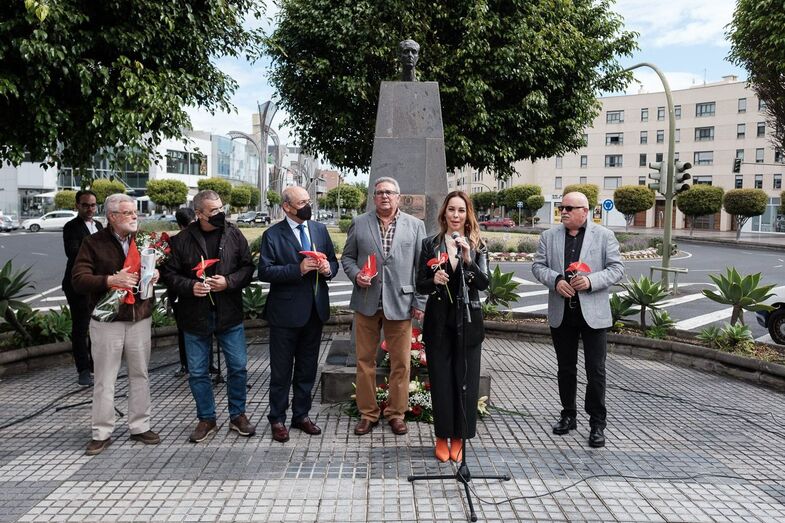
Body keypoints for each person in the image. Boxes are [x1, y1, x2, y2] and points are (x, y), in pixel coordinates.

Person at [160, 190, 256, 443]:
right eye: (213, 211)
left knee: (238, 367)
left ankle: (238, 415)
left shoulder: (233, 233)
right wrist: (190, 286)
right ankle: (206, 418)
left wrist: (229, 281)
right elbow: (168, 275)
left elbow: (248, 268)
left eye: (221, 208)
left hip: (229, 314)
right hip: (194, 315)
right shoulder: (180, 240)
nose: (220, 214)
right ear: (199, 213)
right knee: (199, 371)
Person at [531, 191, 624, 448]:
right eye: (562, 207)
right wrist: (556, 280)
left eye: (569, 208)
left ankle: (597, 423)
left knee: (595, 370)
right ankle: (568, 415)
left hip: (593, 314)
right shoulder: (549, 237)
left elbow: (617, 269)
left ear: (585, 211)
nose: (563, 212)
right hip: (562, 313)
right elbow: (538, 266)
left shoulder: (604, 236)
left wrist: (591, 281)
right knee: (565, 368)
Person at [71, 193, 160, 456]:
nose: (135, 216)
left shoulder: (143, 240)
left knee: (140, 375)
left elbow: (156, 268)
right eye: (128, 213)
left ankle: (140, 426)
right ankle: (101, 433)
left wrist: (156, 273)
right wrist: (111, 280)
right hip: (107, 320)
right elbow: (79, 279)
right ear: (112, 216)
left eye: (135, 212)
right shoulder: (93, 242)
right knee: (105, 380)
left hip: (139, 317)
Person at [342, 177, 426, 436]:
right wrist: (357, 275)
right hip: (367, 302)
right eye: (379, 192)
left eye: (389, 192)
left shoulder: (415, 226)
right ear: (374, 197)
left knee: (401, 363)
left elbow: (421, 267)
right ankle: (368, 413)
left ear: (398, 197)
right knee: (364, 361)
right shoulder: (359, 223)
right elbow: (347, 257)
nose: (385, 196)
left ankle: (396, 413)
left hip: (401, 303)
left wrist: (420, 302)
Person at [257, 186, 339, 443]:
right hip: (284, 314)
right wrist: (298, 269)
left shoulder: (319, 230)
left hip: (314, 312)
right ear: (287, 207)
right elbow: (265, 272)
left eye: (308, 201)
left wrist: (327, 269)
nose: (308, 205)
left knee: (307, 369)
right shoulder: (272, 235)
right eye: (302, 202)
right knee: (281, 371)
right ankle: (277, 419)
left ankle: (301, 415)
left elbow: (334, 263)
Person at [415, 191, 489, 462]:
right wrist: (432, 279)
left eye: (460, 210)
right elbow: (419, 282)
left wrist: (468, 260)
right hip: (438, 323)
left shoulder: (478, 245)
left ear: (467, 214)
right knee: (442, 382)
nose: (455, 215)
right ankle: (441, 436)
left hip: (468, 323)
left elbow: (483, 284)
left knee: (465, 382)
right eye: (451, 210)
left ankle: (459, 437)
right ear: (443, 213)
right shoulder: (430, 244)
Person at [62, 190, 103, 387]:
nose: (90, 209)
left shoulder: (100, 225)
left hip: (99, 284)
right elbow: (73, 253)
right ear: (77, 205)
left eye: (93, 205)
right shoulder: (71, 227)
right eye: (86, 205)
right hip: (77, 285)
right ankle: (83, 370)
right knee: (80, 328)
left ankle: (96, 366)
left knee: (99, 326)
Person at [171, 207, 196, 377]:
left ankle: (203, 364)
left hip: (200, 289)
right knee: (183, 328)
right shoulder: (175, 242)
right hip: (181, 291)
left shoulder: (202, 238)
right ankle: (185, 363)